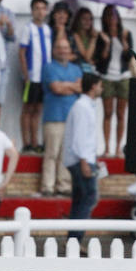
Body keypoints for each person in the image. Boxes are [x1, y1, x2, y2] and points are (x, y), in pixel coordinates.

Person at [63, 72, 104, 241]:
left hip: (84, 159)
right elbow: (79, 137)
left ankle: (73, 238)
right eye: (100, 85)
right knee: (88, 197)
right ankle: (75, 238)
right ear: (93, 86)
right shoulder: (82, 106)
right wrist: (85, 161)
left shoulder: (86, 106)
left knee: (80, 199)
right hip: (81, 160)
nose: (102, 88)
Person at [40, 38, 82, 196]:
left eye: (65, 48)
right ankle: (48, 186)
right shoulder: (49, 67)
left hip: (71, 118)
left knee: (66, 154)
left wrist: (65, 85)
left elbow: (81, 87)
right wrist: (71, 86)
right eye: (59, 47)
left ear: (70, 50)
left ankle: (64, 185)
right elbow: (56, 88)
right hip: (53, 117)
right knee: (51, 153)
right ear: (54, 50)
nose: (63, 50)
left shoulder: (76, 69)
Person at [93, 4, 133, 158]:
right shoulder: (101, 35)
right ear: (104, 18)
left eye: (114, 15)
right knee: (108, 113)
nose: (111, 18)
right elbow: (99, 60)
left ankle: (118, 148)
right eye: (108, 15)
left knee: (121, 114)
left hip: (123, 76)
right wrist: (107, 44)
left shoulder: (126, 33)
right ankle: (107, 148)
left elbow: (129, 57)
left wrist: (124, 42)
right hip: (107, 76)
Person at [19, 0, 51, 153]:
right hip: (32, 76)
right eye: (36, 8)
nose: (40, 12)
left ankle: (35, 141)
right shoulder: (28, 28)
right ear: (32, 11)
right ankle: (26, 143)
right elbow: (22, 52)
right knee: (27, 109)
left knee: (38, 109)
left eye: (42, 8)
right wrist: (26, 74)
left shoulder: (47, 30)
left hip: (44, 77)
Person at [69, 7, 97, 72]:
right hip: (79, 69)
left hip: (91, 69)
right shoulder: (75, 35)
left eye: (90, 19)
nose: (88, 21)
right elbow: (87, 57)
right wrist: (93, 39)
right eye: (84, 18)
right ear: (78, 20)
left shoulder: (90, 35)